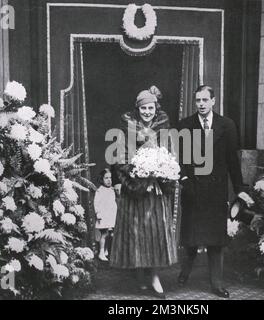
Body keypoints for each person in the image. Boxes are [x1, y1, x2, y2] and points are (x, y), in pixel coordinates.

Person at [177, 85, 250, 298]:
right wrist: (184, 180)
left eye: (205, 100)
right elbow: (180, 159)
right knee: (191, 237)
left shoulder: (227, 125)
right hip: (193, 190)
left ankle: (216, 284)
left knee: (215, 239)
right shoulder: (185, 125)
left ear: (213, 101)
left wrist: (239, 189)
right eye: (197, 100)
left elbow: (232, 161)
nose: (201, 104)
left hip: (216, 191)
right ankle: (184, 273)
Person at [110, 86, 178, 299]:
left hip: (156, 190)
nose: (147, 112)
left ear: (155, 108)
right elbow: (120, 159)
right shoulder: (127, 129)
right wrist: (137, 174)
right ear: (137, 109)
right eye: (143, 108)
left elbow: (171, 154)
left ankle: (155, 277)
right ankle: (139, 274)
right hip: (136, 189)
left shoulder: (164, 128)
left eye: (150, 108)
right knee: (136, 232)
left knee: (156, 233)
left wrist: (163, 170)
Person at [94, 168, 117, 261]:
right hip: (103, 216)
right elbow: (96, 203)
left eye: (110, 178)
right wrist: (98, 214)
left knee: (110, 234)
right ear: (101, 179)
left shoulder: (111, 190)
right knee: (104, 234)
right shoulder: (100, 190)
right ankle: (101, 252)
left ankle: (106, 250)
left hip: (111, 216)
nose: (109, 180)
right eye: (106, 178)